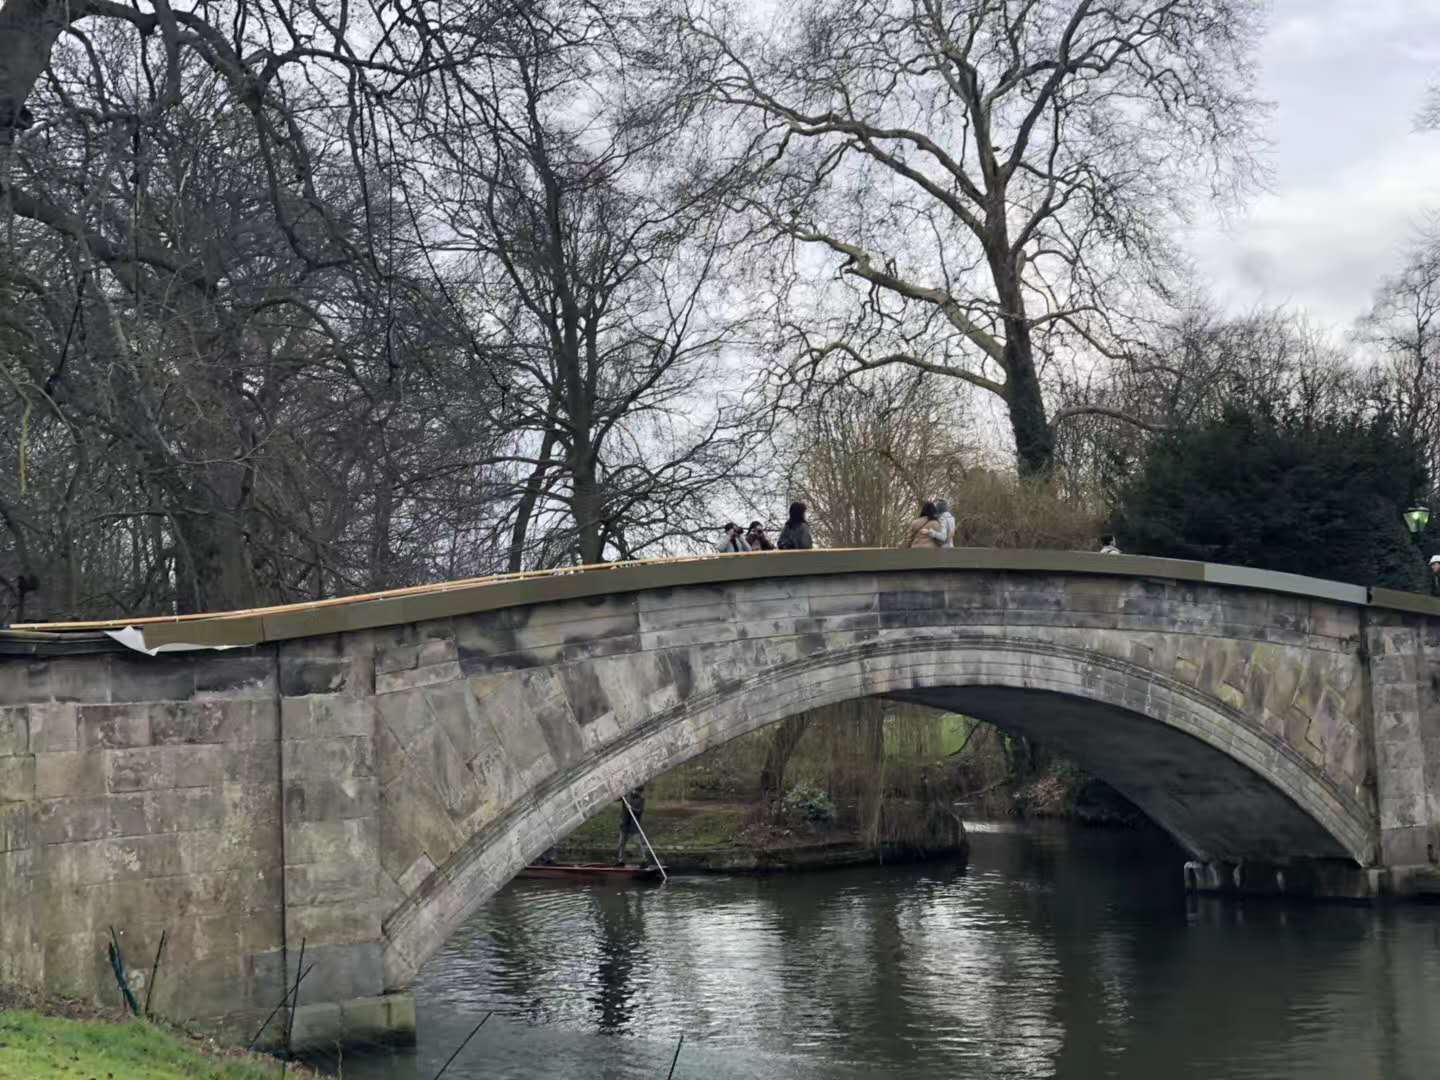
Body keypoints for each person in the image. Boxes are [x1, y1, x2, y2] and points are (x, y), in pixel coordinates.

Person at [616, 786, 647, 865]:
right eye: (636, 790)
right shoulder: (626, 796)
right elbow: (616, 799)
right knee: (621, 843)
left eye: (639, 792)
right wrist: (619, 793)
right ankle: (621, 861)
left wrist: (631, 808)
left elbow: (639, 811)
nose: (637, 792)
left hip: (634, 825)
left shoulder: (641, 800)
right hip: (624, 824)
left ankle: (643, 860)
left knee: (638, 843)